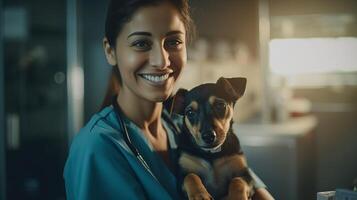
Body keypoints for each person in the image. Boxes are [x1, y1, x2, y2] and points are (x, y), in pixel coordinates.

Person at [63, 0, 274, 199]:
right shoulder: (97, 148)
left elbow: (251, 185)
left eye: (173, 41)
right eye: (141, 43)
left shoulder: (180, 122)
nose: (162, 60)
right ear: (110, 52)